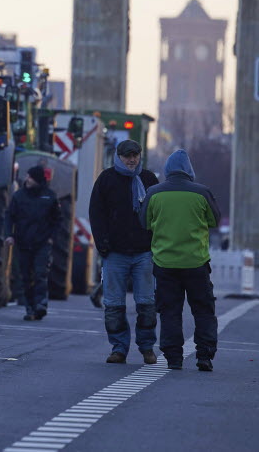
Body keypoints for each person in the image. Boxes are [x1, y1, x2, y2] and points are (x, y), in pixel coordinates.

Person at [142, 149, 221, 372]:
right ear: (189, 170)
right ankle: (204, 355)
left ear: (167, 170)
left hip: (165, 263)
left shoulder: (154, 193)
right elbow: (214, 220)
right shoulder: (202, 192)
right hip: (196, 263)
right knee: (203, 310)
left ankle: (173, 357)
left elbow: (144, 222)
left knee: (170, 312)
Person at [88, 139, 160, 364]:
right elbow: (96, 213)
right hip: (115, 253)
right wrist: (103, 244)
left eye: (135, 155)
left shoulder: (149, 179)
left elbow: (158, 214)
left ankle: (147, 347)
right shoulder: (106, 179)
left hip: (143, 252)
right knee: (114, 305)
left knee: (146, 304)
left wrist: (154, 244)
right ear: (118, 157)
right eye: (127, 155)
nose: (132, 159)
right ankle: (118, 348)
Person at [4, 164, 63, 321]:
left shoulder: (50, 197)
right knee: (25, 277)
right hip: (23, 243)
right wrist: (9, 235)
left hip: (42, 243)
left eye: (30, 177)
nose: (27, 179)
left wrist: (51, 237)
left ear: (37, 179)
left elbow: (58, 220)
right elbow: (9, 217)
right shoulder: (18, 196)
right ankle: (30, 308)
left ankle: (40, 304)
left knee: (40, 274)